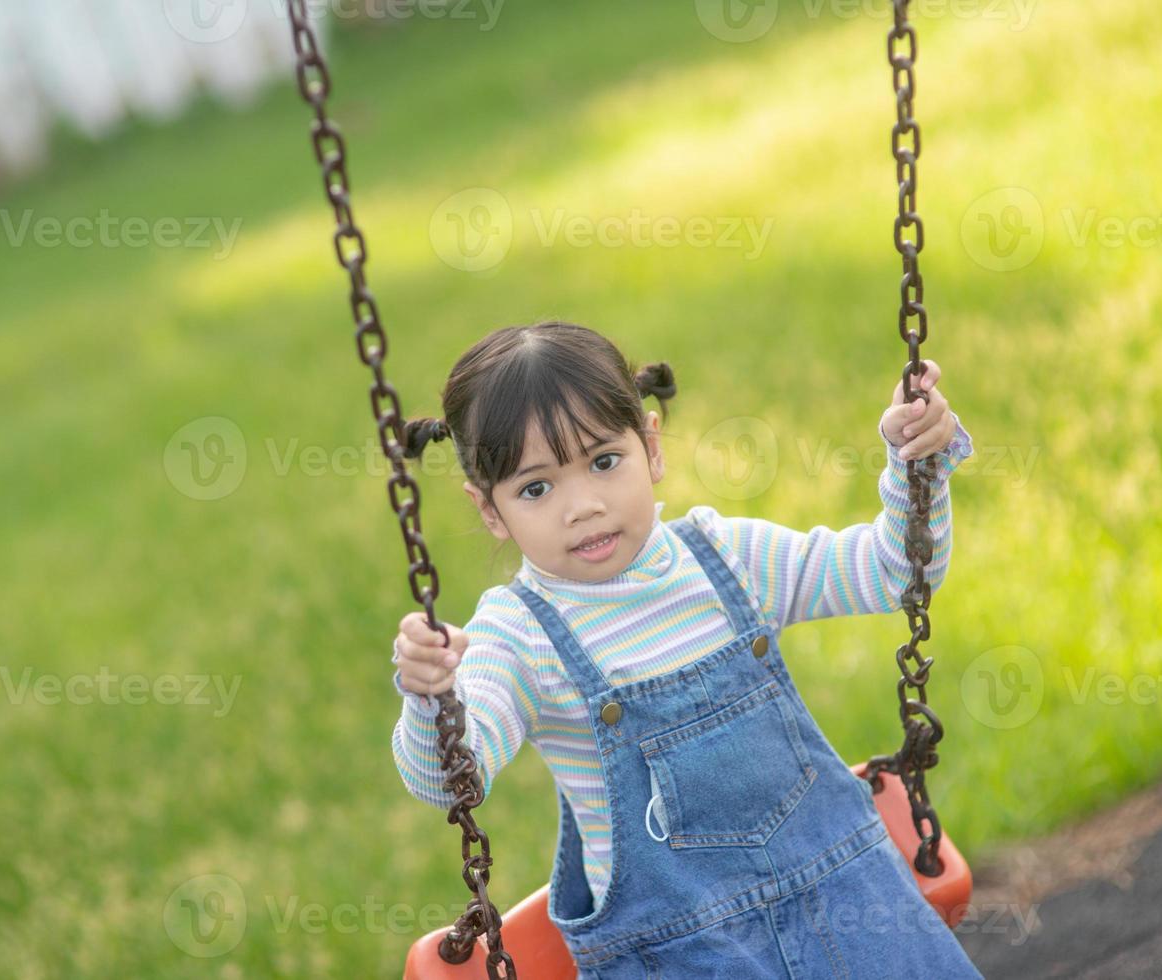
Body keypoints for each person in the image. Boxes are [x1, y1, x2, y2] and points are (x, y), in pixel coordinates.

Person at [391, 320, 983, 978]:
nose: (582, 506)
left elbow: (894, 572)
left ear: (650, 445)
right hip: (681, 955)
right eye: (536, 488)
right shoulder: (516, 636)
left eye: (604, 461)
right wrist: (432, 697)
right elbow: (451, 780)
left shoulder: (726, 558)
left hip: (852, 906)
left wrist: (914, 468)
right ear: (491, 511)